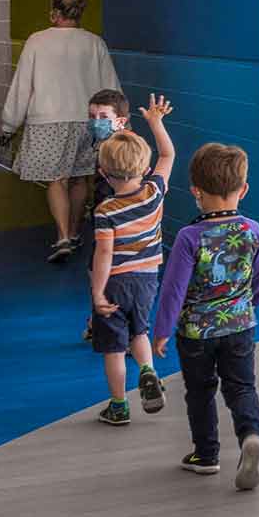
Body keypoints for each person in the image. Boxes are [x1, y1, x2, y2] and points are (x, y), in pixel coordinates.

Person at [152, 143, 259, 488]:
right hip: (240, 326)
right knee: (242, 388)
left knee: (200, 392)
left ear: (195, 192)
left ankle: (206, 455)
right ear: (243, 189)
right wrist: (251, 305)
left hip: (195, 334)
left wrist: (161, 330)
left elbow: (173, 289)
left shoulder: (190, 236)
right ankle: (252, 436)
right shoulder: (253, 230)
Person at [0, 0, 122, 262]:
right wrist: (116, 124)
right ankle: (76, 231)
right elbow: (110, 86)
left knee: (57, 179)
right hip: (87, 121)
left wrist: (9, 124)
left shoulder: (37, 41)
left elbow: (22, 86)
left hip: (48, 120)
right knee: (80, 178)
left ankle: (63, 236)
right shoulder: (94, 42)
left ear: (54, 13)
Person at [87, 96, 175, 428]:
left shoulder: (105, 211)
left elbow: (104, 255)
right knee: (140, 331)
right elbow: (168, 154)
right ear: (144, 166)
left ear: (103, 172)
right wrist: (156, 122)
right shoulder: (154, 192)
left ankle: (119, 405)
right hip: (148, 279)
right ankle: (149, 371)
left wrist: (98, 293)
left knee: (113, 347)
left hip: (116, 283)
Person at [74, 91, 133, 346]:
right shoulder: (104, 146)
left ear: (120, 120)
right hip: (103, 222)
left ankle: (125, 330)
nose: (95, 121)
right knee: (96, 271)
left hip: (120, 225)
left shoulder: (125, 149)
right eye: (92, 116)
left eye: (103, 116)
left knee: (114, 276)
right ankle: (97, 319)